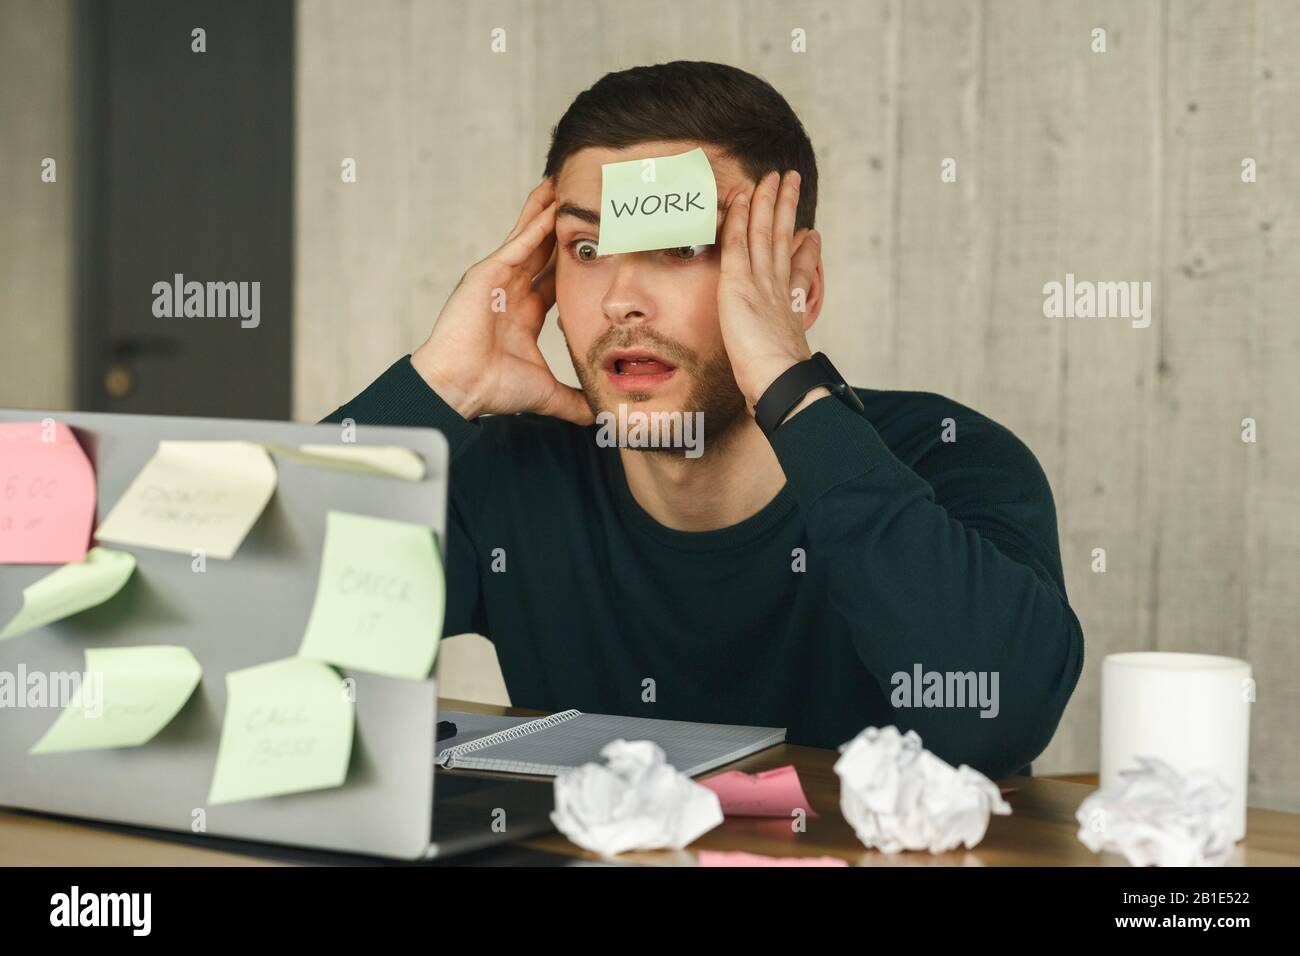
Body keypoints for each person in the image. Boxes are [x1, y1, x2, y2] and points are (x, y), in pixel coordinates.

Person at [324, 61, 1084, 778]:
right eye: (587, 246)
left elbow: (997, 718)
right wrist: (435, 386)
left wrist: (792, 391)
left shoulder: (952, 459)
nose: (621, 298)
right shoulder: (514, 474)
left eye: (683, 243)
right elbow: (232, 621)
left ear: (800, 282)